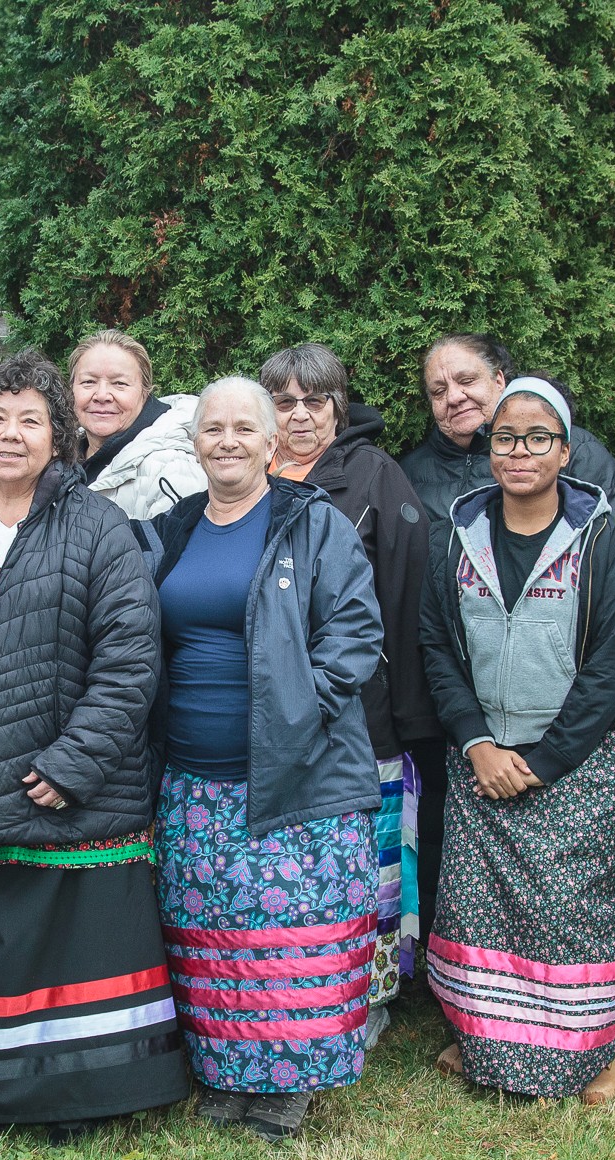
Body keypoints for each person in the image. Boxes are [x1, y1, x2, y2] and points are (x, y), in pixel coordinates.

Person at [0, 349, 189, 1140]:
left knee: (74, 950)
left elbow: (132, 658)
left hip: (72, 785)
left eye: (30, 420)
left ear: (58, 437)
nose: (10, 434)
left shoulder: (98, 526)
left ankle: (85, 1097)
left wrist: (72, 763)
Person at [143, 377, 387, 1141]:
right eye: (212, 428)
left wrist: (296, 711)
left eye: (243, 428)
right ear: (193, 442)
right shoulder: (171, 528)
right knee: (214, 933)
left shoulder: (312, 523)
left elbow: (355, 631)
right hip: (192, 777)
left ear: (272, 441)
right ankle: (226, 1072)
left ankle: (290, 1084)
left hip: (297, 770)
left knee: (295, 937)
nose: (227, 441)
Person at [419, 376, 615, 1105]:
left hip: (578, 760)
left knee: (573, 914)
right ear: (490, 451)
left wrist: (547, 760)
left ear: (565, 451)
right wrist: (477, 742)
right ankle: (481, 1035)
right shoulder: (457, 534)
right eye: (507, 438)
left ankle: (594, 1052)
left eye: (538, 437)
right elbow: (436, 645)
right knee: (476, 910)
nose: (520, 450)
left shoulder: (601, 536)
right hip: (482, 759)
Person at [259, 344, 433, 997]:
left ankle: (371, 991)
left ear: (338, 406)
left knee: (368, 857)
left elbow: (406, 591)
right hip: (267, 708)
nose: (300, 415)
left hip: (361, 707)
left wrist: (401, 701)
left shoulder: (372, 475)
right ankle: (291, 981)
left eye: (316, 400)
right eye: (284, 401)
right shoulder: (245, 473)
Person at [401, 333, 615, 536]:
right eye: (439, 391)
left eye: (467, 380)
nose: (454, 397)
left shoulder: (574, 450)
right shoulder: (408, 475)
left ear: (499, 381)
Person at [70, 329, 205, 518]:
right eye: (88, 382)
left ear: (145, 392)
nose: (101, 395)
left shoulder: (173, 471)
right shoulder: (58, 460)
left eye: (119, 383)